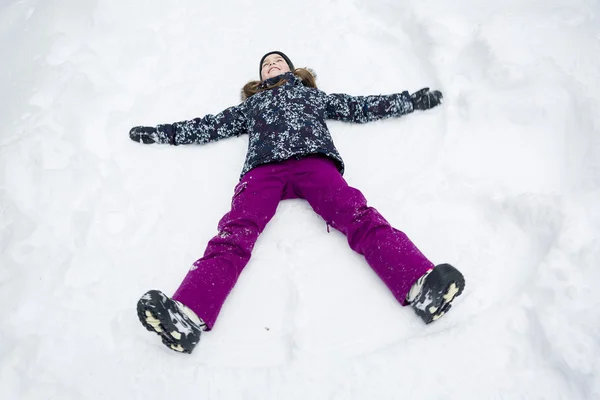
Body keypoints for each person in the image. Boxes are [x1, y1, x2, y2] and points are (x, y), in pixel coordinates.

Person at [131, 51, 465, 354]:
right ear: (260, 78)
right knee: (235, 233)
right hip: (264, 171)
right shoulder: (251, 107)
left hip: (314, 164)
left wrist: (410, 101)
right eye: (265, 65)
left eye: (277, 61)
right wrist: (161, 133)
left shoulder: (311, 97)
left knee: (358, 216)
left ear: (293, 69)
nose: (271, 65)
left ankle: (422, 286)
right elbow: (208, 126)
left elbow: (361, 106)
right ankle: (187, 314)